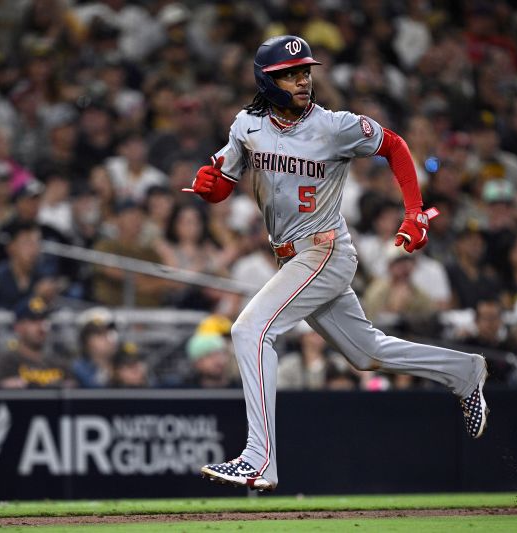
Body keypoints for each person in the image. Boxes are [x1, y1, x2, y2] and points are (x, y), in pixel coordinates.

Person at [191, 36, 488, 492]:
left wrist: (413, 211)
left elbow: (395, 146)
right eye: (291, 73)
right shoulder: (247, 125)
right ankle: (464, 372)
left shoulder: (334, 126)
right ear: (267, 82)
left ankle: (258, 459)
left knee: (249, 329)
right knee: (365, 353)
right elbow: (221, 183)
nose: (304, 79)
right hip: (292, 256)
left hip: (324, 250)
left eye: (306, 70)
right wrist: (210, 186)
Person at [0, 296, 73, 388]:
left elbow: (74, 387)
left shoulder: (58, 361)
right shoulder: (5, 362)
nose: (41, 327)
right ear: (18, 327)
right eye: (34, 321)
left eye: (43, 320)